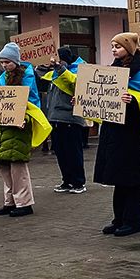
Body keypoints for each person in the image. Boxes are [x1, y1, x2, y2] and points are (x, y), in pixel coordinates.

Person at [0, 42, 48, 218]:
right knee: (4, 166)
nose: (4, 65)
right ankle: (10, 202)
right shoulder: (1, 78)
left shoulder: (27, 77)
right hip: (2, 127)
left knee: (18, 167)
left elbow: (32, 103)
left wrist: (23, 119)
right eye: (2, 62)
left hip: (19, 127)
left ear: (15, 61)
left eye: (7, 62)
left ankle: (24, 203)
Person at [95, 32, 140, 237]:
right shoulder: (113, 71)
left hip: (131, 133)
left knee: (131, 178)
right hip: (114, 130)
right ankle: (119, 218)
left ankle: (134, 221)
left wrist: (133, 100)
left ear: (129, 48)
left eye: (118, 46)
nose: (114, 49)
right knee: (118, 177)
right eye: (112, 46)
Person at [37, 47, 87, 193]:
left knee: (73, 152)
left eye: (60, 59)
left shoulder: (77, 71)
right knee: (61, 152)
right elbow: (40, 76)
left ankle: (79, 182)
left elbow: (74, 82)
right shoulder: (54, 73)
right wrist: (43, 64)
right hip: (56, 118)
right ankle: (67, 181)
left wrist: (59, 67)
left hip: (71, 118)